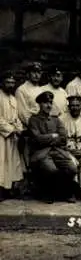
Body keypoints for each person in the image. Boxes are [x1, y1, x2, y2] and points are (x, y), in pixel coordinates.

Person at [28, 91, 78, 203]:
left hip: (58, 151)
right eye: (45, 103)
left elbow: (63, 138)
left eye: (50, 102)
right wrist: (53, 136)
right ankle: (47, 193)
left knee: (72, 168)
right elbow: (37, 139)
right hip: (41, 153)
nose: (48, 105)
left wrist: (48, 139)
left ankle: (66, 193)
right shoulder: (34, 120)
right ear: (40, 104)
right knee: (51, 169)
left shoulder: (56, 120)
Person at [0, 72, 24, 201]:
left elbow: (16, 118)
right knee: (1, 162)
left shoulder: (13, 99)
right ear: (2, 83)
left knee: (11, 163)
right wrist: (11, 130)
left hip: (12, 135)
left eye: (12, 83)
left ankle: (8, 189)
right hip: (1, 135)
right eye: (8, 82)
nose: (10, 85)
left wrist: (19, 129)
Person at [16, 62, 43, 128]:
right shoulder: (22, 89)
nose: (36, 75)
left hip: (42, 124)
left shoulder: (41, 89)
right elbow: (22, 113)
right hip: (30, 126)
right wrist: (34, 126)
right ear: (28, 74)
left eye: (38, 73)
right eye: (34, 72)